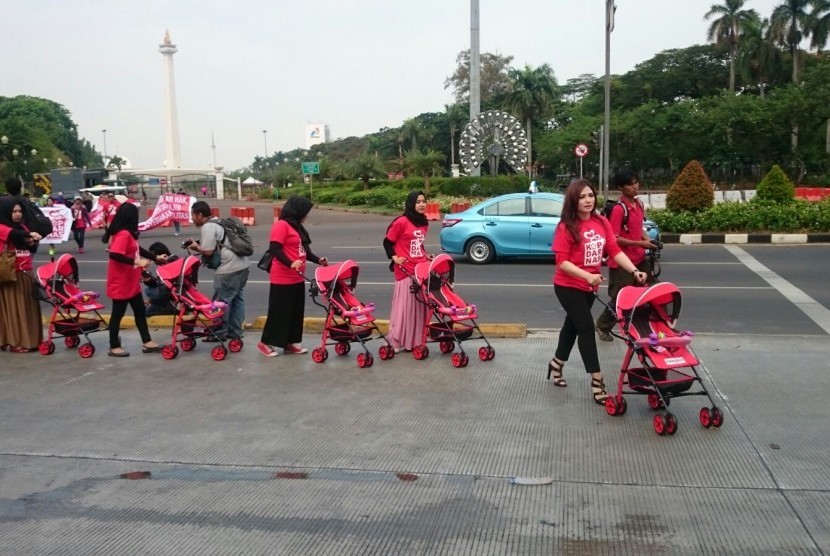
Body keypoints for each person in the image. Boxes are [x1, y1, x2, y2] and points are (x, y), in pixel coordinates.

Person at [548, 179, 647, 406]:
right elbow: (561, 262)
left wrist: (634, 271)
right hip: (567, 286)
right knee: (585, 328)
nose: (587, 200)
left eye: (590, 195)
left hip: (589, 286)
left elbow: (613, 250)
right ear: (573, 200)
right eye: (582, 197)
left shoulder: (601, 221)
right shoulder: (566, 226)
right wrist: (586, 276)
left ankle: (556, 364)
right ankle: (597, 381)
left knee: (571, 327)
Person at [257, 196, 327, 357]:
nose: (306, 215)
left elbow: (305, 252)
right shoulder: (281, 226)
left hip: (297, 277)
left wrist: (318, 260)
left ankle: (290, 342)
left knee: (295, 312)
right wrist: (290, 263)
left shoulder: (297, 227)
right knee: (279, 311)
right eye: (305, 212)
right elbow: (275, 249)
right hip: (282, 276)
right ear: (297, 211)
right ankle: (265, 342)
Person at [595, 169, 657, 341]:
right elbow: (614, 239)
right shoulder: (619, 210)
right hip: (622, 262)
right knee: (620, 298)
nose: (635, 187)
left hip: (639, 259)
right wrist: (640, 243)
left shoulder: (639, 205)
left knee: (646, 293)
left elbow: (639, 229)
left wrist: (648, 240)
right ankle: (602, 325)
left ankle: (641, 326)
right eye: (630, 184)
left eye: (636, 182)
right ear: (621, 188)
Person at [103, 203, 161, 357]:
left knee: (140, 311)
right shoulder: (123, 234)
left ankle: (147, 341)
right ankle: (114, 346)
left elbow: (137, 249)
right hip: (120, 282)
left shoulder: (128, 234)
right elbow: (114, 255)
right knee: (118, 314)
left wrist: (155, 257)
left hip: (130, 280)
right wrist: (137, 262)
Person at [187, 201, 249, 342]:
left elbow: (208, 251)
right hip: (243, 266)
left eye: (193, 215)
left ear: (200, 214)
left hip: (228, 269)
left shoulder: (208, 227)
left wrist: (196, 247)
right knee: (237, 300)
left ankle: (219, 332)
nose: (192, 219)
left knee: (220, 303)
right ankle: (235, 332)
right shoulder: (220, 222)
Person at [383, 191, 431, 353]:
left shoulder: (424, 222)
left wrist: (426, 255)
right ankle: (396, 340)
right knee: (405, 308)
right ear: (411, 204)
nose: (422, 204)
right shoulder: (401, 222)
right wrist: (395, 257)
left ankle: (415, 340)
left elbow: (418, 244)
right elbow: (387, 243)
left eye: (424, 201)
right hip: (405, 270)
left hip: (420, 269)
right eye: (418, 202)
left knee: (419, 307)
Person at [0, 198, 43, 353]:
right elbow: (13, 234)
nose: (17, 214)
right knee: (14, 310)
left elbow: (30, 247)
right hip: (11, 274)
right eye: (14, 211)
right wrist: (29, 234)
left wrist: (32, 242)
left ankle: (29, 339)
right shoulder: (2, 227)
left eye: (19, 211)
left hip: (26, 272)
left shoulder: (22, 227)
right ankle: (15, 342)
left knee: (27, 309)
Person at [142, 242, 179, 317]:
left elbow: (165, 288)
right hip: (171, 294)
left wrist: (151, 300)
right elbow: (160, 283)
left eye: (153, 257)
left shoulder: (171, 263)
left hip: (174, 297)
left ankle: (169, 307)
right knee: (150, 289)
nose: (153, 260)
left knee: (149, 291)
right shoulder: (171, 260)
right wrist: (148, 279)